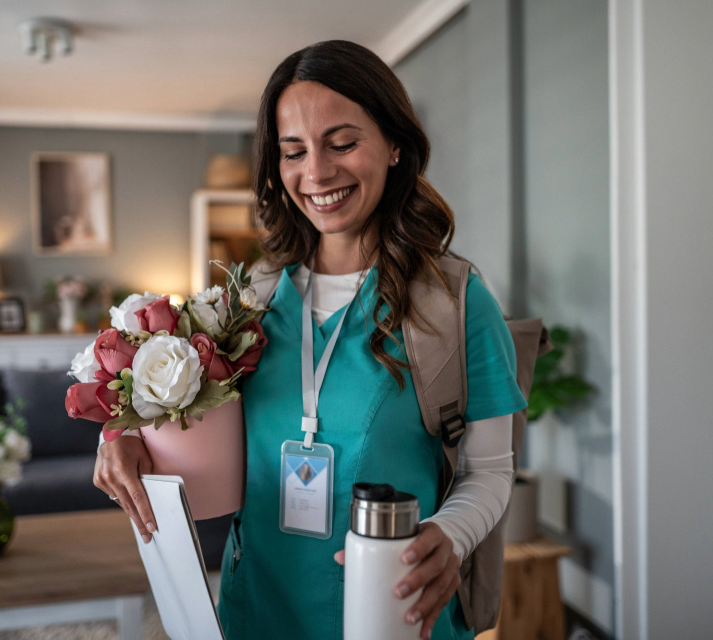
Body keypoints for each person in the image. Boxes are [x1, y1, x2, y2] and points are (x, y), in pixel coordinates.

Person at [94, 40, 526, 640]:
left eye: (342, 143)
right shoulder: (248, 301)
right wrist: (123, 438)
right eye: (293, 152)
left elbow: (490, 469)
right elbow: (188, 428)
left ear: (395, 145)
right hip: (255, 613)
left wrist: (450, 535)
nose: (317, 173)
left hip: (392, 614)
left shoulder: (453, 301)